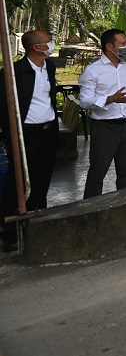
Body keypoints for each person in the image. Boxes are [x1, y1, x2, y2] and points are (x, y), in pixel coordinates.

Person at [0, 30, 61, 251]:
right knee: (18, 181)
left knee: (42, 179)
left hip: (47, 132)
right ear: (36, 47)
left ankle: (37, 225)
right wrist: (10, 136)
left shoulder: (49, 68)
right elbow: (4, 109)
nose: (52, 44)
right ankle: (9, 232)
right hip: (25, 134)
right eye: (48, 42)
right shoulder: (13, 72)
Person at [79, 29, 126, 199]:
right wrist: (110, 99)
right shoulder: (93, 71)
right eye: (122, 44)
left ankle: (125, 208)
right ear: (109, 46)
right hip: (104, 127)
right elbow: (84, 101)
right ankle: (90, 212)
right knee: (98, 172)